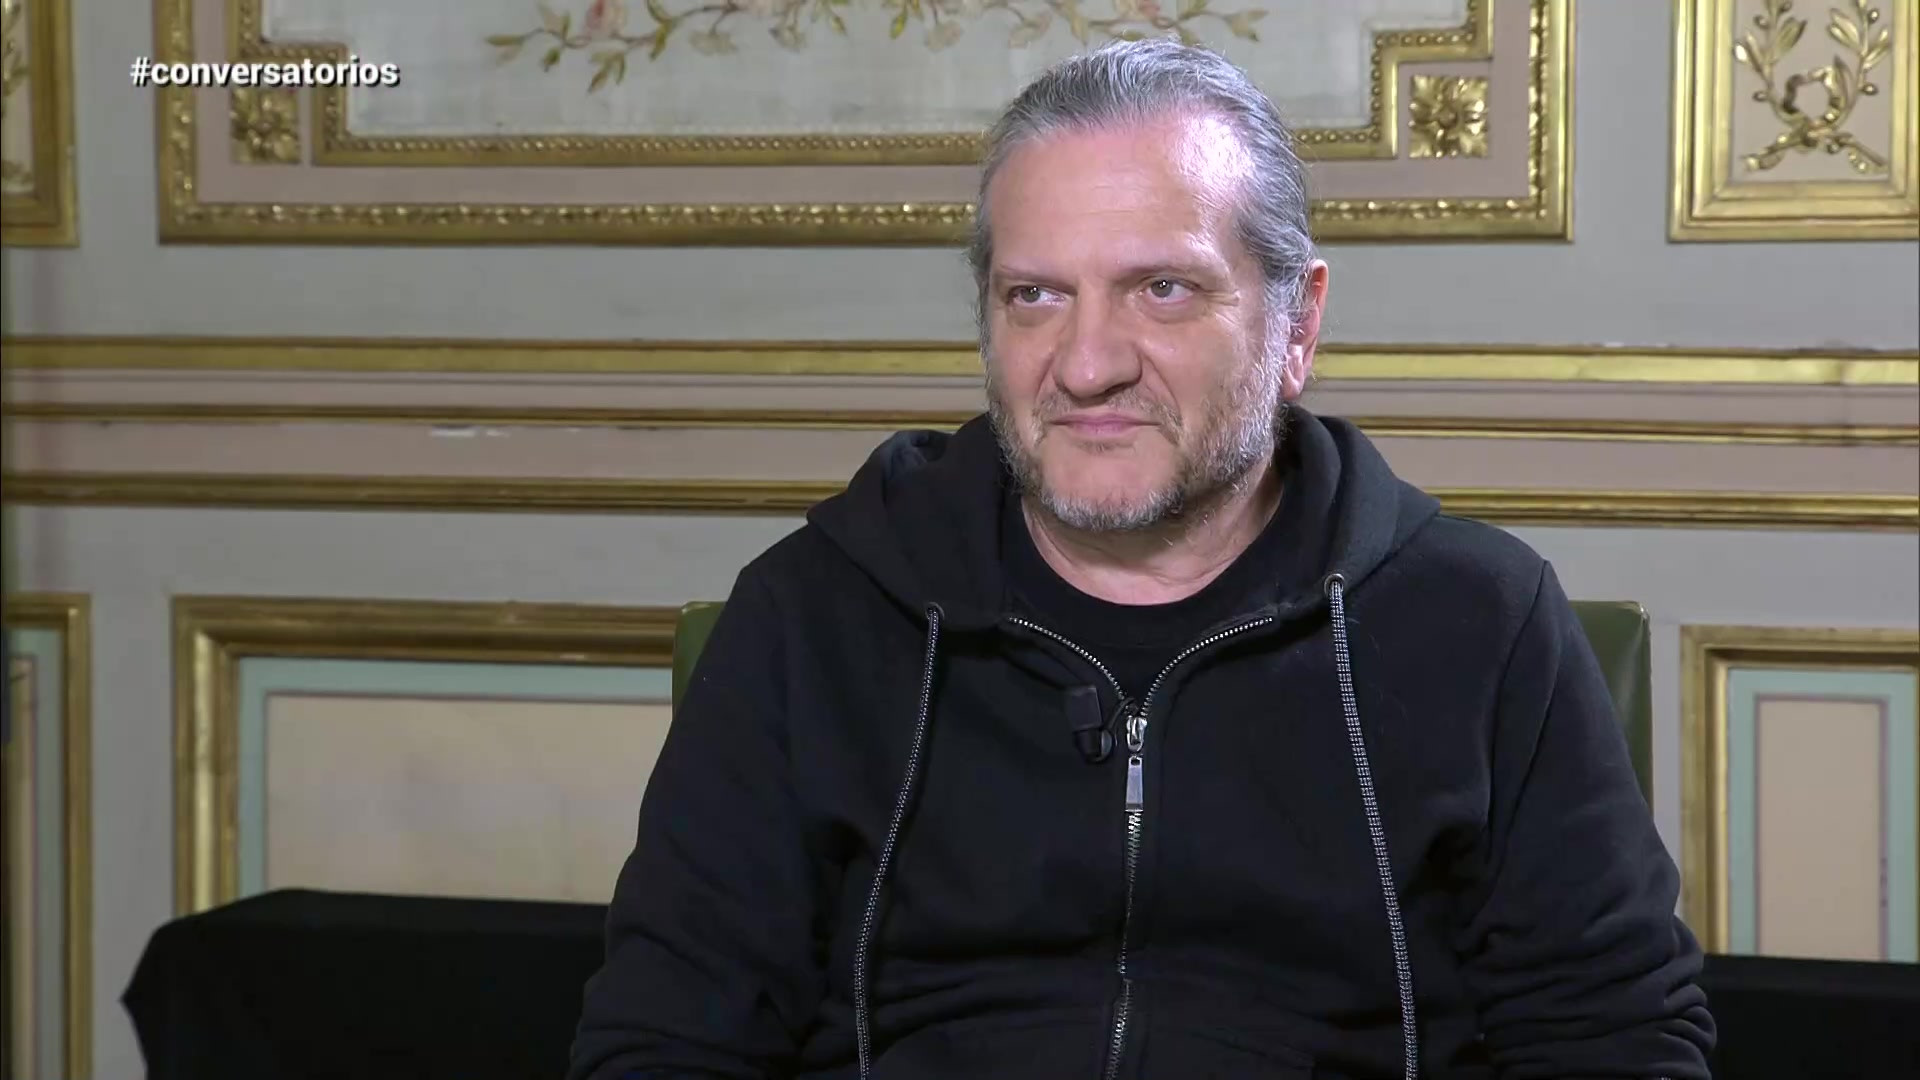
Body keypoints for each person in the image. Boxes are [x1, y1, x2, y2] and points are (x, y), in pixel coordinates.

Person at [569, 39, 1714, 1080]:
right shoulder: (816, 614)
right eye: (1035, 297)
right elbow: (663, 1043)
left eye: (1161, 290)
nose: (1087, 365)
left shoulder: (1479, 621)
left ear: (1297, 325)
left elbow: (1615, 1042)